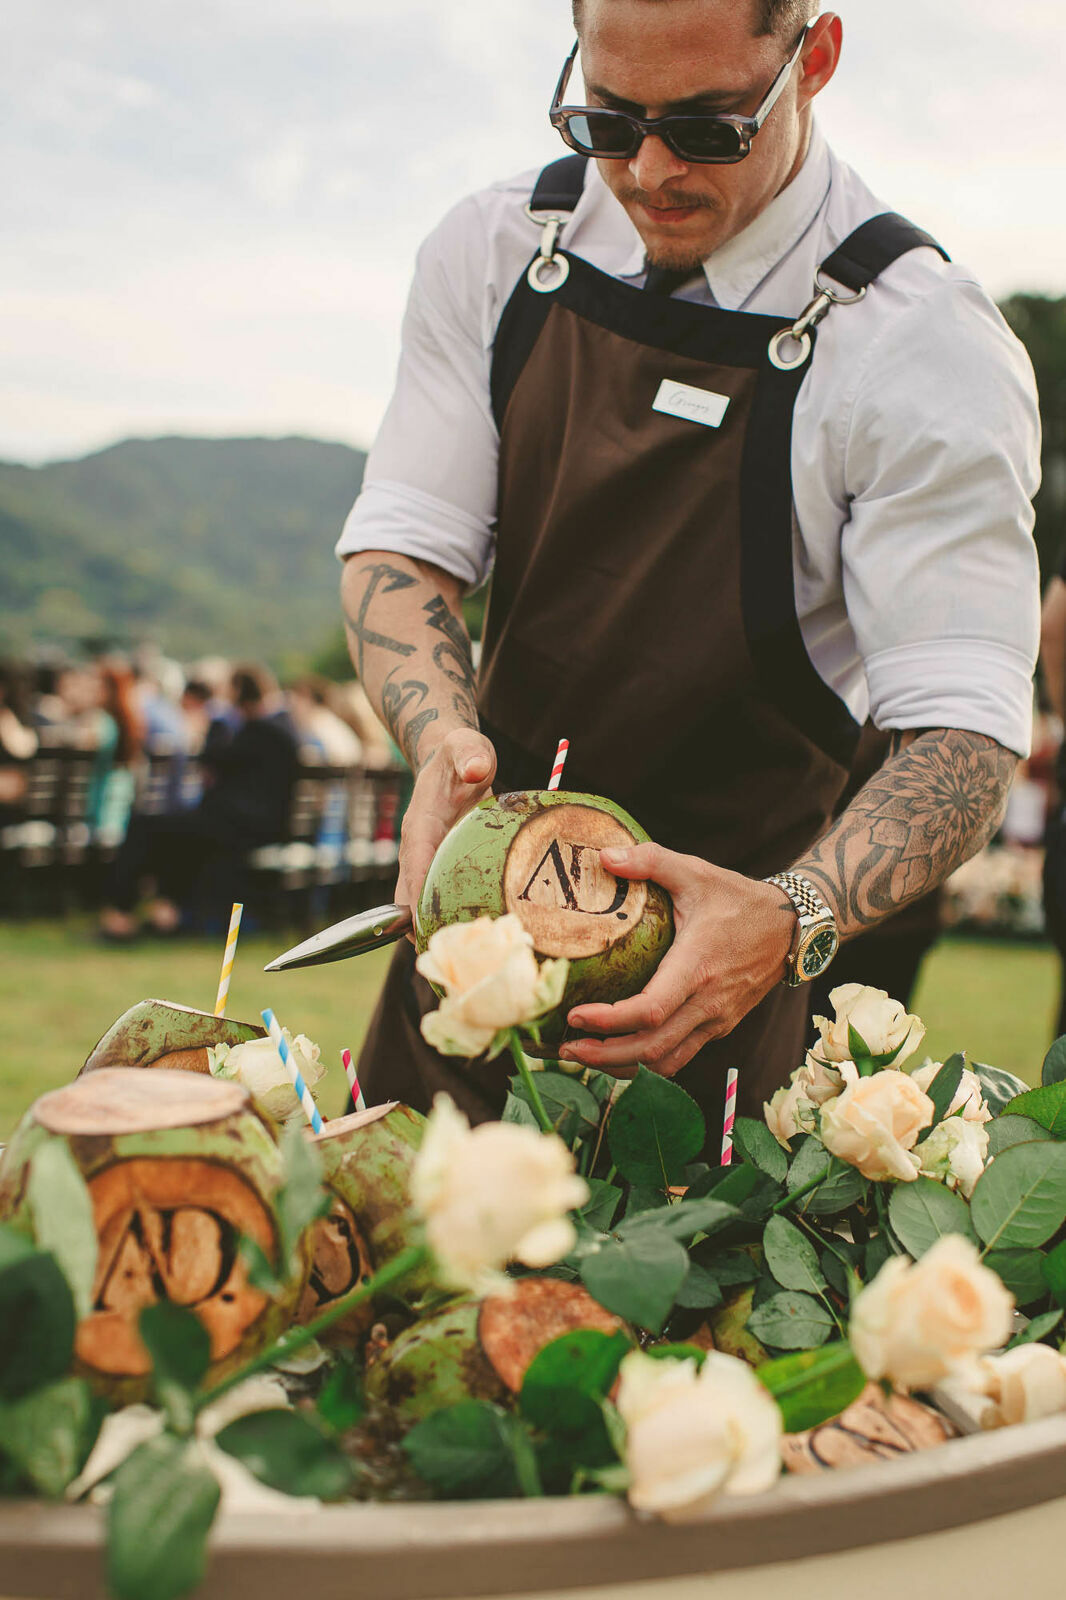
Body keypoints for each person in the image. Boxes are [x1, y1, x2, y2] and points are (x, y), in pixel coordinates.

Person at [335, 0, 1040, 1137]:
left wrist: (790, 913)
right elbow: (402, 548)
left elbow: (963, 735)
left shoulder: (924, 346)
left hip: (714, 1011)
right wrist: (437, 738)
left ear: (812, 60)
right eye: (607, 121)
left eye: (709, 129)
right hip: (467, 965)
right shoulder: (496, 245)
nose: (649, 171)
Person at [99, 663, 299, 938]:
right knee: (173, 832)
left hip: (240, 827)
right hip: (255, 826)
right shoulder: (282, 728)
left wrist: (207, 726)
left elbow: (215, 759)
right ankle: (166, 914)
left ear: (239, 691)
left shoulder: (260, 731)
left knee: (145, 825)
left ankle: (121, 915)